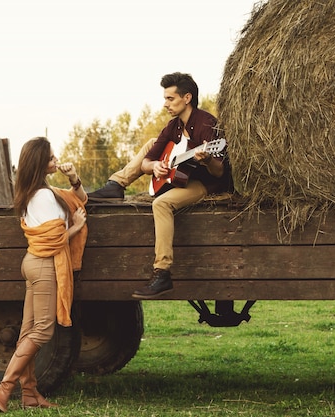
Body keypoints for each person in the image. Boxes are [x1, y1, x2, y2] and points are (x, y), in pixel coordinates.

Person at [89, 72, 232, 299]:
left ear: (187, 98)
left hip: (206, 184)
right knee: (151, 145)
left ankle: (162, 272)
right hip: (179, 177)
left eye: (170, 99)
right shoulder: (173, 125)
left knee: (161, 204)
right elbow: (146, 163)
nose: (165, 104)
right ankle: (116, 184)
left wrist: (207, 159)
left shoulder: (207, 124)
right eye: (165, 98)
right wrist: (155, 166)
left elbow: (220, 171)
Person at [0, 137, 88, 413]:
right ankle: (4, 388)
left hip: (34, 263)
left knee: (28, 332)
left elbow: (80, 199)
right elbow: (55, 241)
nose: (56, 161)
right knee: (43, 330)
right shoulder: (43, 196)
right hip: (44, 264)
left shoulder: (41, 191)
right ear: (40, 163)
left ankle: (29, 393)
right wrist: (77, 227)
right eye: (52, 158)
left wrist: (73, 178)